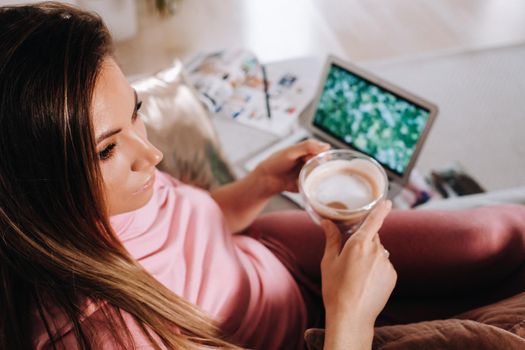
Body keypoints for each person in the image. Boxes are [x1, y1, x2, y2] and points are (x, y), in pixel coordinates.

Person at [0, 3, 523, 350]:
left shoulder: (115, 192)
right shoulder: (102, 333)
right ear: (30, 183)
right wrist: (350, 317)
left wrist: (260, 185)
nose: (153, 155)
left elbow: (193, 222)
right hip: (314, 333)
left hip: (274, 253)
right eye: (108, 148)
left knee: (493, 236)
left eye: (134, 111)